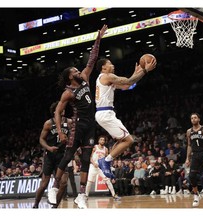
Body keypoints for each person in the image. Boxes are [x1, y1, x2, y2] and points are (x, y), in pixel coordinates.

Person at [47, 24, 108, 209]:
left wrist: (98, 38)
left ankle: (81, 195)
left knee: (87, 158)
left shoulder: (85, 77)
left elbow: (92, 59)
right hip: (78, 124)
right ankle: (54, 186)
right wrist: (60, 131)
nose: (78, 71)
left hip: (91, 124)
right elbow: (58, 112)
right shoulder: (67, 93)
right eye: (74, 71)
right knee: (68, 155)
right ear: (69, 78)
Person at [94, 56, 156, 178]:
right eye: (110, 64)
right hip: (105, 113)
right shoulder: (107, 76)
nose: (113, 66)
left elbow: (127, 86)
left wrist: (135, 73)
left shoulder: (106, 80)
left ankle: (106, 160)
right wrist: (145, 71)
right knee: (129, 140)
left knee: (122, 140)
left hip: (105, 113)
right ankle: (105, 161)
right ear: (103, 67)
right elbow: (128, 81)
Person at [33, 101, 71, 208]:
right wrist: (49, 148)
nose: (62, 110)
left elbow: (74, 137)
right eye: (60, 108)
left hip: (62, 156)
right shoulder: (48, 123)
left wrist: (69, 141)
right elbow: (41, 139)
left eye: (63, 108)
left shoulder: (69, 122)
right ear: (54, 111)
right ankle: (36, 204)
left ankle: (55, 206)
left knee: (63, 183)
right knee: (44, 184)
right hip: (50, 156)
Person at [85, 135, 120, 200]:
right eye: (101, 140)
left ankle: (114, 195)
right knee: (89, 182)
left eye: (103, 140)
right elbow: (90, 157)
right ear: (98, 141)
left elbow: (107, 159)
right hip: (93, 166)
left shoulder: (105, 149)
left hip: (102, 167)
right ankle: (86, 196)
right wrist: (94, 163)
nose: (102, 141)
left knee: (108, 181)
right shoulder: (95, 147)